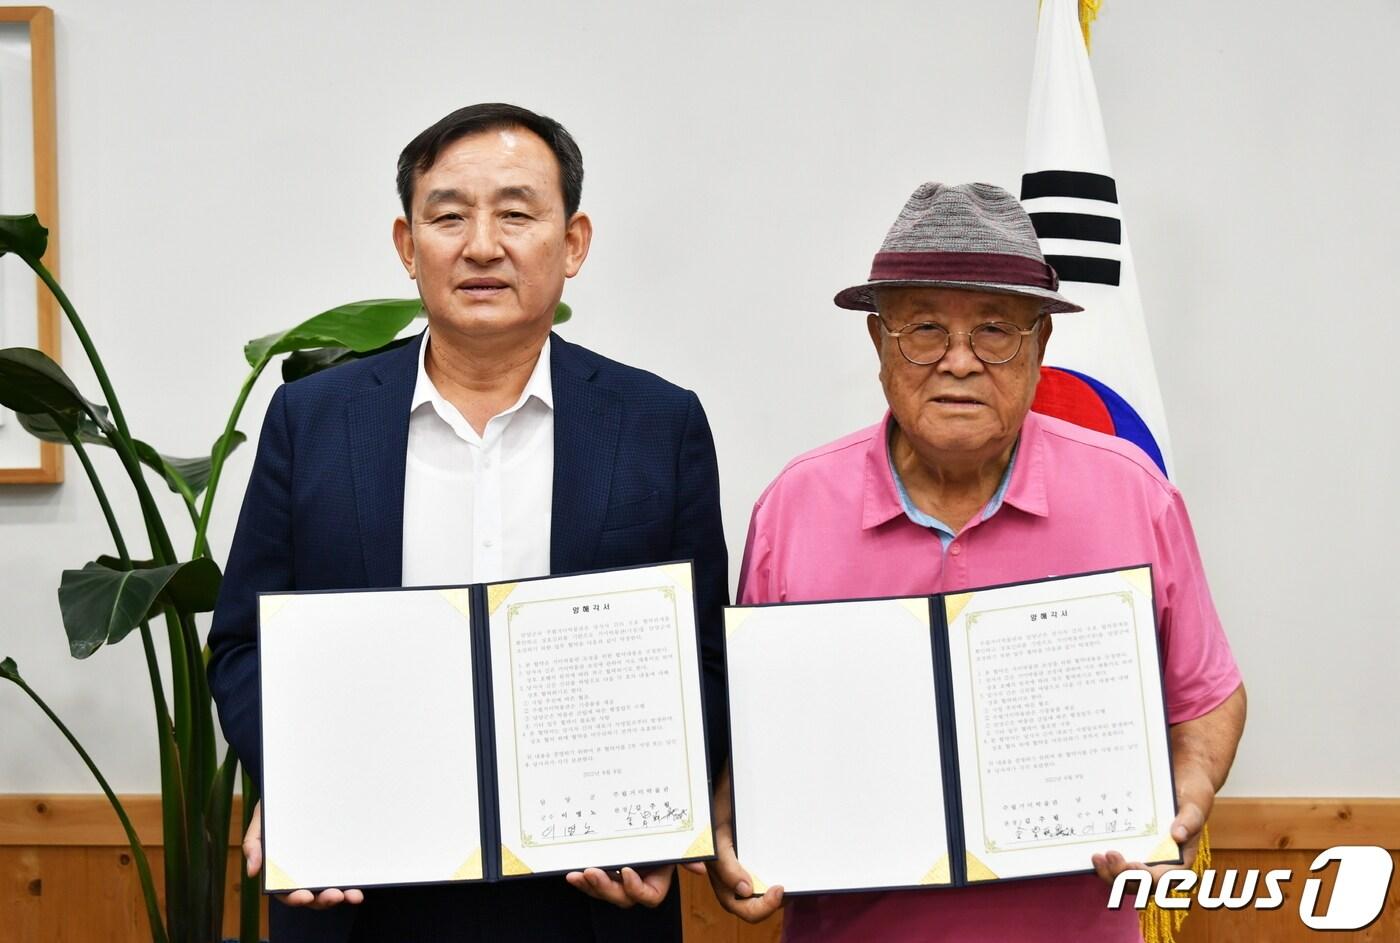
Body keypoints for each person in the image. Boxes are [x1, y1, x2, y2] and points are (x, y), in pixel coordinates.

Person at [207, 103, 729, 943]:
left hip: (587, 896)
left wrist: (663, 815)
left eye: (517, 213)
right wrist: (302, 777)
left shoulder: (657, 423)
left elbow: (703, 654)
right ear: (408, 246)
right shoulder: (312, 422)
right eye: (449, 215)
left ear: (574, 243)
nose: (482, 244)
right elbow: (242, 643)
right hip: (363, 894)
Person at [693, 182, 1246, 941]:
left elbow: (1208, 695)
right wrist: (731, 830)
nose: (959, 362)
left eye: (995, 331)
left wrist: (1190, 792)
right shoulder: (793, 507)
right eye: (924, 328)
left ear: (1042, 347)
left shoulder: (1133, 493)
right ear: (879, 342)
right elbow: (758, 732)